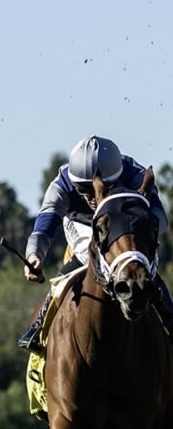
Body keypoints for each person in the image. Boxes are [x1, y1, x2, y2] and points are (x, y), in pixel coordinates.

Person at [19, 135, 172, 352]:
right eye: (84, 190)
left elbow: (160, 219)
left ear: (117, 178)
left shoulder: (135, 174)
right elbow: (44, 227)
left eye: (103, 187)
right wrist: (35, 254)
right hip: (81, 224)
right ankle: (40, 323)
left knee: (138, 262)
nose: (93, 197)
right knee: (85, 253)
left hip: (125, 223)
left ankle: (169, 316)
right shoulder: (61, 185)